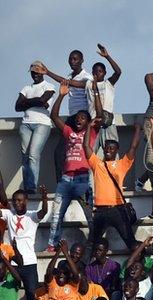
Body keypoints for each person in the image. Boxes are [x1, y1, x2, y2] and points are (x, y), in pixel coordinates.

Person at [47, 82, 95, 251]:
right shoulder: (69, 132)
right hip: (66, 179)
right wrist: (61, 95)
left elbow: (100, 114)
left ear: (88, 122)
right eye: (77, 118)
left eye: (82, 117)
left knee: (90, 215)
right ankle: (52, 245)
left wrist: (94, 92)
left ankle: (94, 241)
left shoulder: (91, 132)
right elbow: (54, 116)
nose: (78, 119)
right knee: (57, 215)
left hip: (82, 178)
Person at [84, 119, 142, 253]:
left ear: (117, 150)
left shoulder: (121, 165)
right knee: (92, 246)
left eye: (112, 148)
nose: (109, 150)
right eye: (107, 148)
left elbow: (133, 148)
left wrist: (138, 129)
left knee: (131, 243)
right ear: (103, 149)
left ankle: (142, 264)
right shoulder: (97, 165)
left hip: (118, 210)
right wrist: (89, 127)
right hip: (100, 211)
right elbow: (86, 147)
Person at [0, 182, 47, 300]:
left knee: (31, 293)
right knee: (8, 292)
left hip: (29, 263)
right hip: (13, 263)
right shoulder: (9, 214)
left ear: (26, 201)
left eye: (20, 200)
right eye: (14, 200)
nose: (16, 203)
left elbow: (43, 212)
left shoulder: (32, 216)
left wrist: (44, 198)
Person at [16, 62, 57, 193]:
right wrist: (38, 101)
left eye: (38, 72)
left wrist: (27, 103)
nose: (35, 74)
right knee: (25, 155)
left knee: (33, 154)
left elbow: (42, 100)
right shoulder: (26, 88)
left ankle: (32, 187)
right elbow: (17, 107)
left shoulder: (49, 86)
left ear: (42, 72)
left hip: (42, 123)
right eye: (33, 72)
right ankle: (28, 187)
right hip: (26, 123)